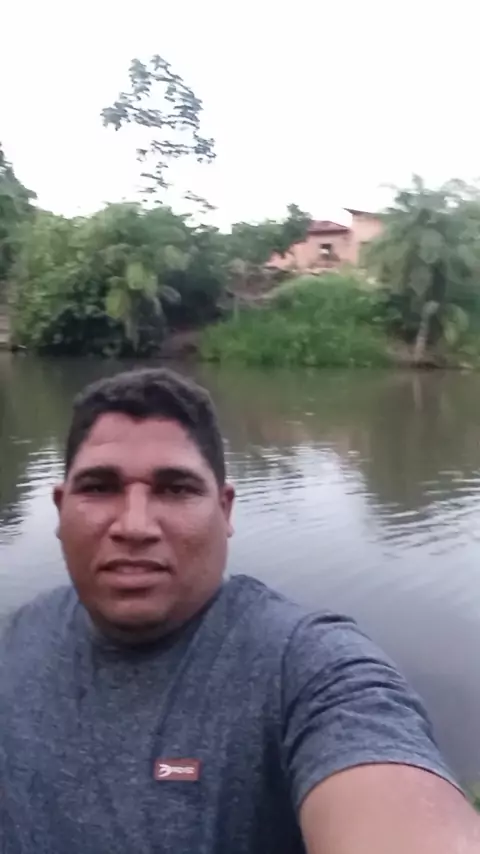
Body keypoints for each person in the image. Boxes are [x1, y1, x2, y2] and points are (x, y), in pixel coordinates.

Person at [0, 368, 478, 854]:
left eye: (176, 489)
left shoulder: (307, 671)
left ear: (225, 510)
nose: (135, 526)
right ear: (60, 507)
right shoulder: (18, 638)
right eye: (100, 487)